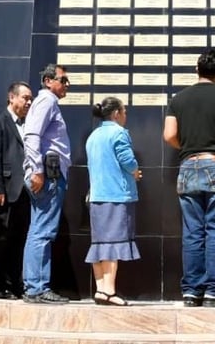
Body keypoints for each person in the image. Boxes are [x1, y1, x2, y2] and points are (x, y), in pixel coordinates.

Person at [163, 49, 215, 308]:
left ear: (196, 69)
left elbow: (169, 136)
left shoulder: (178, 99)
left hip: (188, 166)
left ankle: (191, 292)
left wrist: (190, 146)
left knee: (192, 232)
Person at [85, 97, 143, 306]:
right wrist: (136, 172)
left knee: (99, 244)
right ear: (116, 113)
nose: (126, 115)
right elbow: (127, 160)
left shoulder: (93, 136)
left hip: (96, 196)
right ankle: (109, 290)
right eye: (124, 111)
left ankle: (100, 289)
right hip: (115, 195)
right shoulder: (118, 133)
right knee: (112, 244)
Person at [22, 63, 71, 304]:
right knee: (43, 231)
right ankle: (37, 288)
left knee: (38, 229)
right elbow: (31, 135)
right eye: (63, 80)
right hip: (48, 175)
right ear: (48, 81)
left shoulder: (47, 103)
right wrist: (38, 171)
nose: (66, 85)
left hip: (48, 174)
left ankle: (35, 286)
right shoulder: (47, 101)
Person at [0, 81, 34, 299]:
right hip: (3, 191)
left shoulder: (27, 125)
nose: (29, 102)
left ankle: (16, 284)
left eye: (30, 98)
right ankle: (1, 286)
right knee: (1, 240)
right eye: (25, 97)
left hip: (23, 192)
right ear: (11, 98)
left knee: (18, 240)